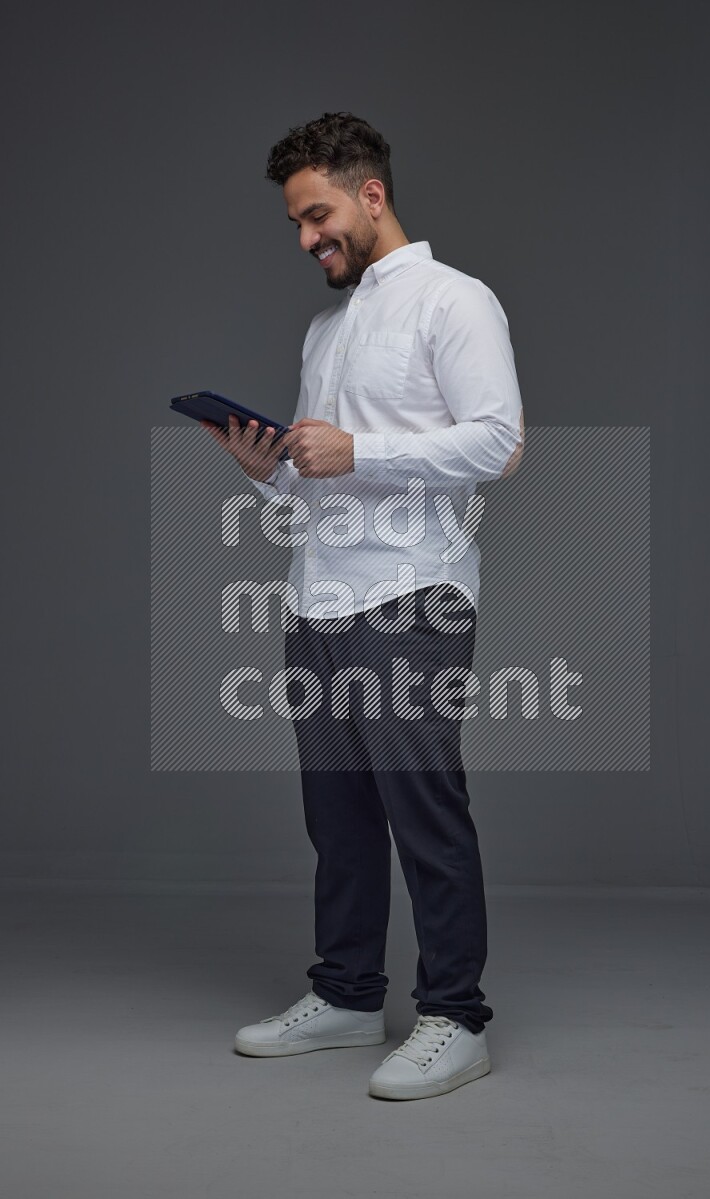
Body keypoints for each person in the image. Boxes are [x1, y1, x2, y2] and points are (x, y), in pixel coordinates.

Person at [202, 111, 524, 1100]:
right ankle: (345, 994)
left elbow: (500, 442)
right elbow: (323, 477)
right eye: (297, 224)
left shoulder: (454, 301)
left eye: (317, 216)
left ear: (370, 195)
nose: (307, 238)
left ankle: (455, 1015)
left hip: (410, 596)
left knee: (423, 808)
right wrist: (266, 469)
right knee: (336, 816)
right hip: (320, 597)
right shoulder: (327, 329)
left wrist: (360, 449)